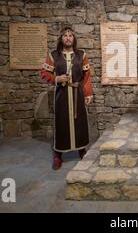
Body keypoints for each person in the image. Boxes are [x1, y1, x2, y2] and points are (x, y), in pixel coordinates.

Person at [40, 27, 93, 170]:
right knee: (61, 123)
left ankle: (81, 149)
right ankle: (58, 155)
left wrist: (88, 93)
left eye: (70, 35)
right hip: (61, 95)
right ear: (61, 39)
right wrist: (56, 78)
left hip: (77, 93)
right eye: (65, 35)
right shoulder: (53, 56)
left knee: (79, 122)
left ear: (74, 39)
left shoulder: (81, 55)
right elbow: (44, 72)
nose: (68, 38)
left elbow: (87, 76)